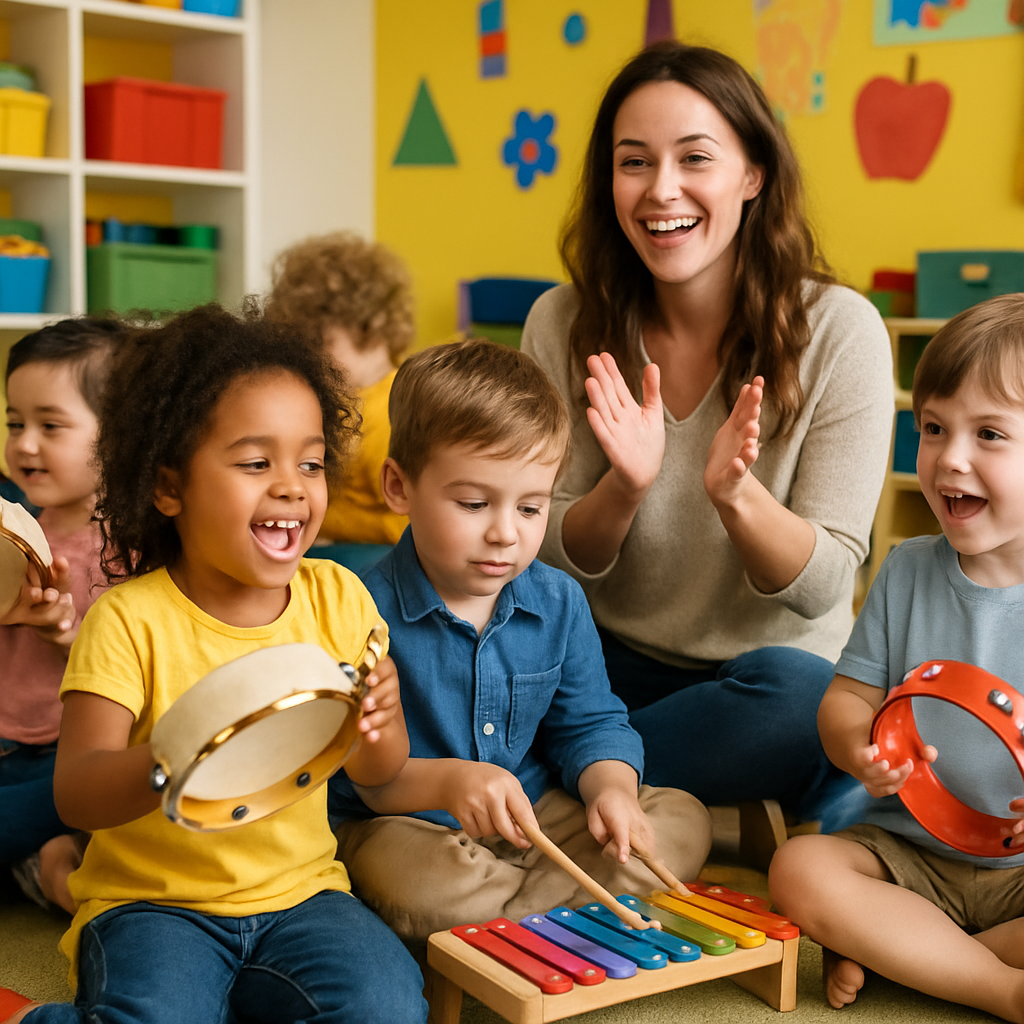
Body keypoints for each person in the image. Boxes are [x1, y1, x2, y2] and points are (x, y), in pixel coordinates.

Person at [0, 304, 427, 1024]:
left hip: (302, 895)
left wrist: (379, 726)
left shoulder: (339, 599)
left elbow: (379, 778)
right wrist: (170, 760)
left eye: (312, 462)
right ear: (168, 487)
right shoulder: (127, 620)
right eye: (257, 462)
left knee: (384, 1006)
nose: (293, 485)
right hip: (154, 905)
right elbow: (75, 792)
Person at [520, 41, 894, 835]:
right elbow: (539, 546)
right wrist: (622, 489)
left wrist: (735, 496)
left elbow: (824, 581)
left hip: (758, 680)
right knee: (481, 666)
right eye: (634, 162)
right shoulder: (561, 322)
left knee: (804, 704)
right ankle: (715, 815)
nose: (662, 191)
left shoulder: (840, 332)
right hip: (600, 665)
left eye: (695, 158)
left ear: (752, 174)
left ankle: (564, 784)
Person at [329, 339, 712, 942]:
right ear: (400, 488)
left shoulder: (559, 602)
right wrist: (452, 783)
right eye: (475, 503)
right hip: (409, 825)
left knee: (681, 820)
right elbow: (362, 781)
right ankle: (568, 912)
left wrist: (612, 790)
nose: (505, 533)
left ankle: (519, 917)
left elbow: (589, 724)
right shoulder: (356, 612)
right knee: (406, 877)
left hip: (536, 815)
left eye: (531, 509)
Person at [769, 294, 1024, 1022]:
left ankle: (911, 954)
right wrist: (859, 748)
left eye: (990, 435)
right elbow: (845, 700)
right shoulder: (908, 567)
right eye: (934, 428)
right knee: (800, 867)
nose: (952, 458)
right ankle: (993, 982)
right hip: (911, 853)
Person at [0, 318, 120, 915]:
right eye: (14, 423)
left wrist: (69, 633)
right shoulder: (21, 527)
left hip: (61, 757)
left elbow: (132, 673)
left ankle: (49, 858)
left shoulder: (125, 554)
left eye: (50, 426)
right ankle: (46, 857)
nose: (24, 444)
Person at [266, 231, 414, 568]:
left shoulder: (396, 410)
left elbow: (411, 524)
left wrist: (326, 525)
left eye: (321, 343)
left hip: (373, 562)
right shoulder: (333, 399)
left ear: (372, 325)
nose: (310, 360)